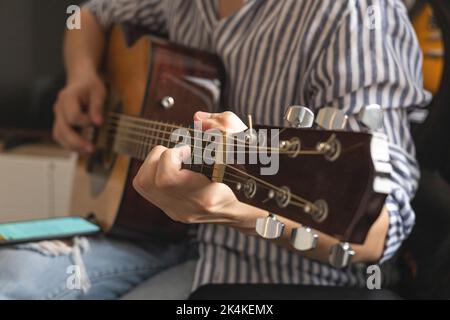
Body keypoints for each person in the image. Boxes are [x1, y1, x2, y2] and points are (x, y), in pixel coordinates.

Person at [0, 0, 430, 299]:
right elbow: (87, 16)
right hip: (155, 234)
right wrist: (81, 78)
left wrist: (234, 211)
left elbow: (378, 231)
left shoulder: (352, 14)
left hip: (275, 274)